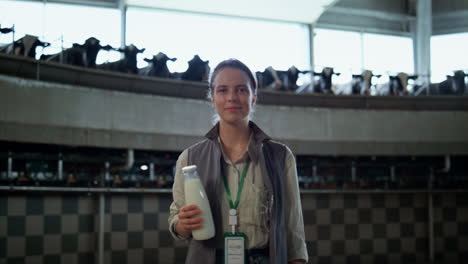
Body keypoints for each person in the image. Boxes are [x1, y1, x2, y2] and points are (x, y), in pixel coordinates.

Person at [168, 58, 308, 264]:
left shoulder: (280, 157)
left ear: (253, 98)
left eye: (241, 90)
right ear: (212, 98)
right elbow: (175, 222)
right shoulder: (189, 159)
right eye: (222, 90)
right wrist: (182, 224)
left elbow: (292, 227)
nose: (232, 97)